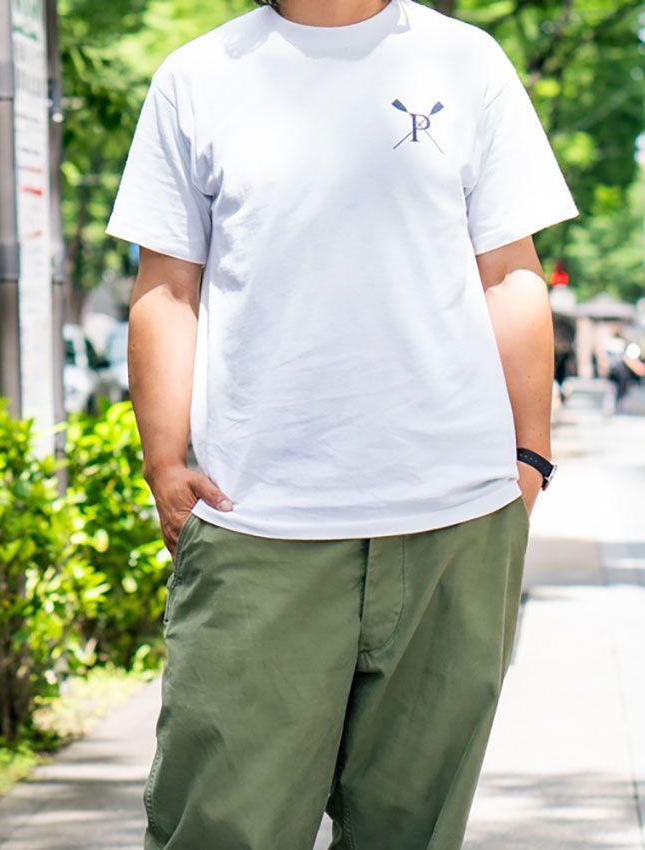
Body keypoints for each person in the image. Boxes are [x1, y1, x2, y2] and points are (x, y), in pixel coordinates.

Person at [106, 1, 577, 847]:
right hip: (259, 523)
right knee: (221, 829)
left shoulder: (467, 62)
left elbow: (510, 272)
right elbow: (167, 285)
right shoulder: (198, 76)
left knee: (411, 832)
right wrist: (164, 464)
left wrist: (531, 459)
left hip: (455, 524)